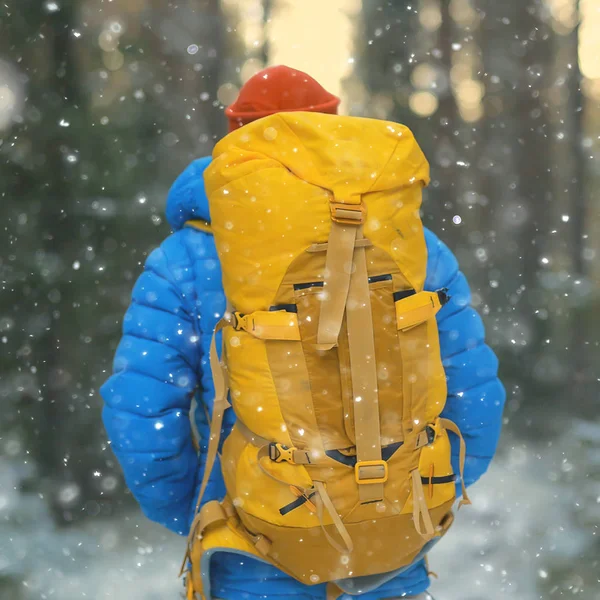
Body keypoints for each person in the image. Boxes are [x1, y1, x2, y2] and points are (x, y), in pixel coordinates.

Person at [100, 65, 505, 600]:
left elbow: (141, 413)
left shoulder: (185, 259)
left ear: (233, 137)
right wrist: (414, 495)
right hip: (391, 551)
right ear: (335, 131)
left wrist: (205, 510)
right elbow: (473, 392)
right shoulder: (412, 242)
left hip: (253, 547)